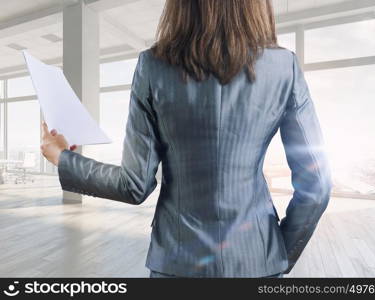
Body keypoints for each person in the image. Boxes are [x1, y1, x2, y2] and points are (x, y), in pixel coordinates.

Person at [41, 0, 332, 278]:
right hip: (258, 259)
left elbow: (133, 185)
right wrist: (280, 253)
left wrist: (62, 157)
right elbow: (317, 186)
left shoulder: (152, 66)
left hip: (176, 263)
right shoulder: (285, 67)